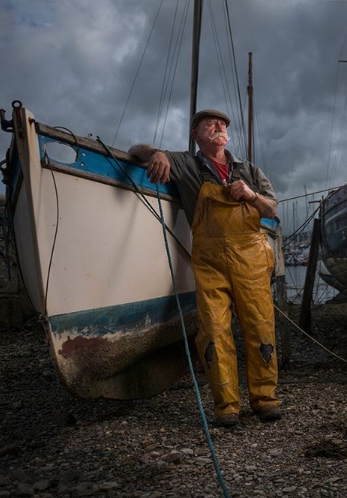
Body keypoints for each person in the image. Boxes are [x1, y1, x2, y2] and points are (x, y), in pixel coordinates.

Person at [129, 109, 281, 428]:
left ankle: (265, 399)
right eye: (209, 123)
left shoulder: (248, 169)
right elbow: (135, 150)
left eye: (223, 124)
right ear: (196, 134)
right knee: (213, 329)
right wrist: (156, 153)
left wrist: (251, 195)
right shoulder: (186, 163)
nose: (219, 127)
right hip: (210, 260)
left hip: (251, 256)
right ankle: (226, 406)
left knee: (260, 325)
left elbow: (271, 209)